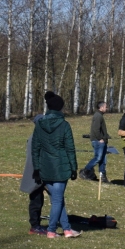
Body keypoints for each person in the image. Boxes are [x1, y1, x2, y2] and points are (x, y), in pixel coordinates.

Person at [31, 92, 81, 239]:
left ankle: (66, 229)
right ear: (60, 108)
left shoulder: (39, 124)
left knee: (58, 199)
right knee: (57, 200)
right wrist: (73, 168)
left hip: (45, 167)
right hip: (61, 167)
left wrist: (36, 168)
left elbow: (36, 148)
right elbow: (70, 148)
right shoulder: (64, 125)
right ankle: (51, 231)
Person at [20, 92, 54, 235]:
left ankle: (38, 225)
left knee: (39, 199)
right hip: (37, 173)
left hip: (39, 173)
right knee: (37, 201)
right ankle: (35, 226)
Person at [81, 101, 110, 183]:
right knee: (98, 158)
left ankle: (103, 177)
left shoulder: (100, 116)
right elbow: (95, 129)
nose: (107, 108)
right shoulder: (98, 116)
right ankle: (85, 171)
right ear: (101, 107)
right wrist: (100, 138)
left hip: (102, 141)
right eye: (106, 107)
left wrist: (106, 136)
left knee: (103, 160)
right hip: (98, 141)